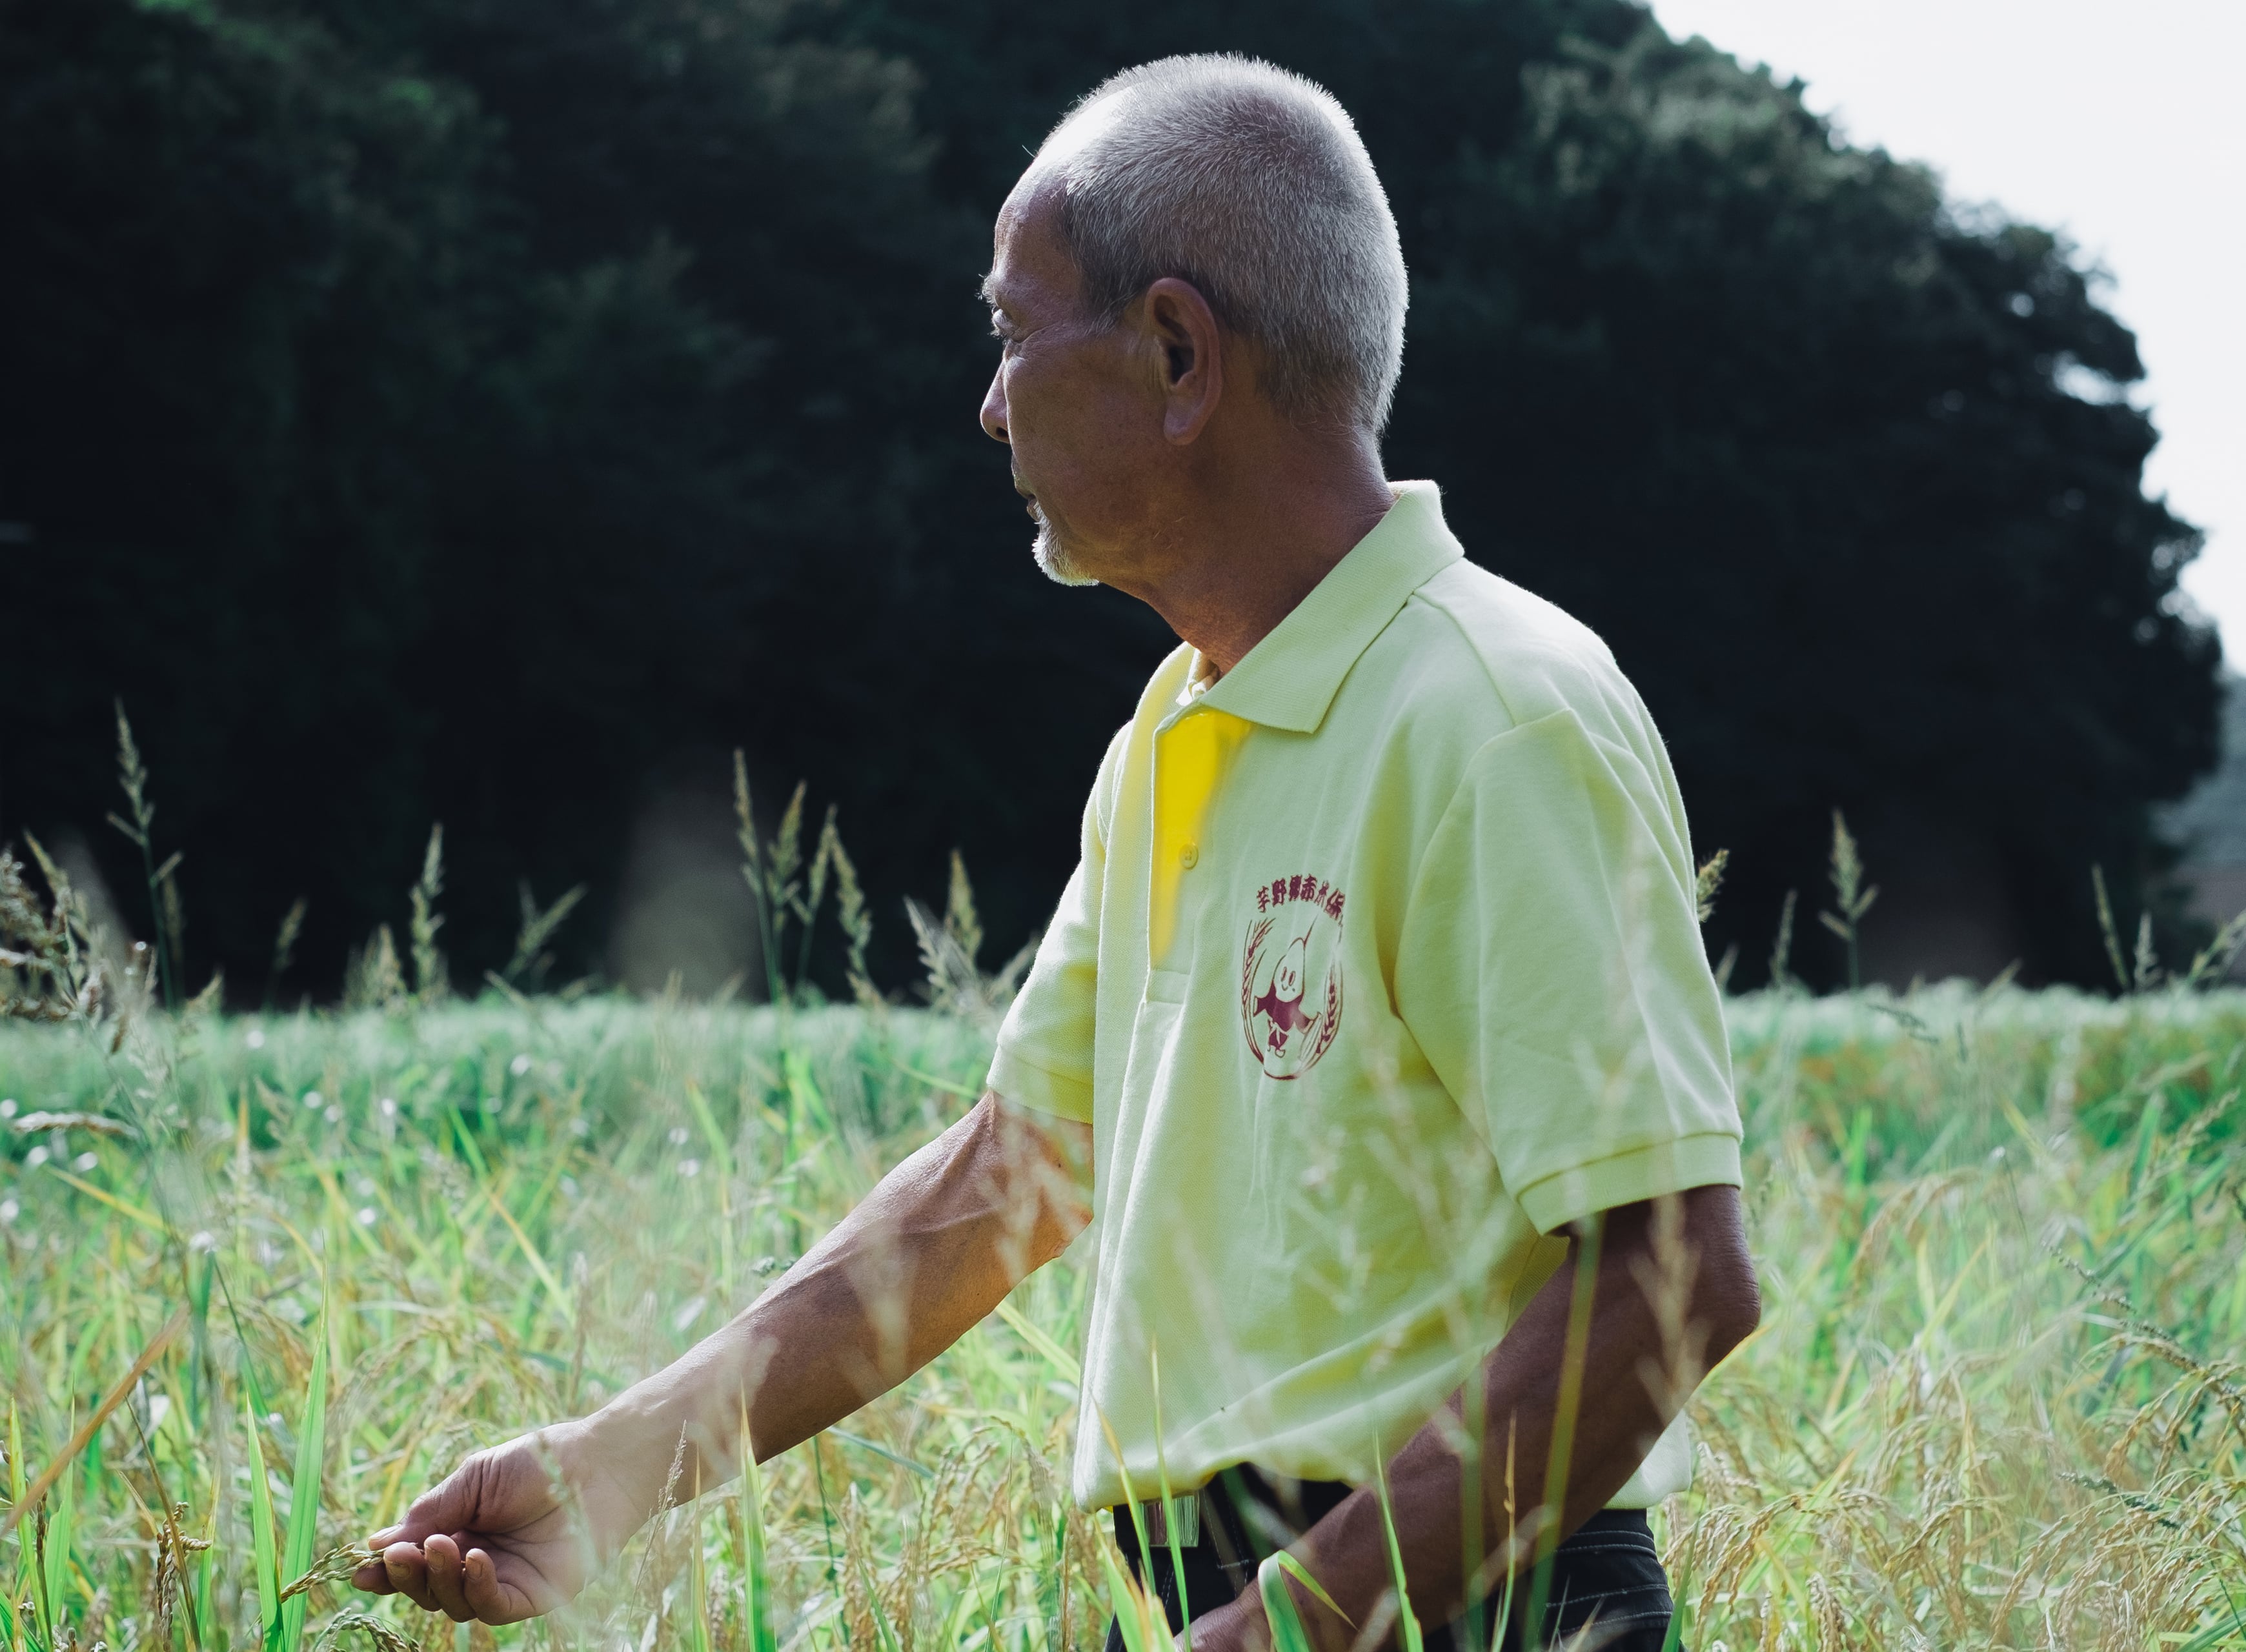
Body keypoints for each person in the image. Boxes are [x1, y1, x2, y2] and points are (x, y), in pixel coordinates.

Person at [353, 54, 1759, 1652]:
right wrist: (606, 1470)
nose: (991, 399)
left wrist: (1292, 1624)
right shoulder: (1174, 731)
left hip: (1451, 1609)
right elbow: (1007, 1176)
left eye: (1018, 334)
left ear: (1176, 351)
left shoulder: (1498, 713)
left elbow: (1670, 1277)